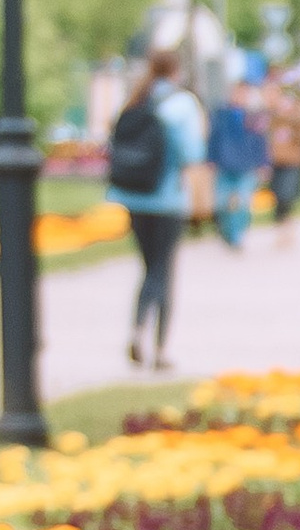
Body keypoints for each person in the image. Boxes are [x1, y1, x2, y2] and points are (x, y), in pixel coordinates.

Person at [108, 48, 205, 371]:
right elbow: (192, 153)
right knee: (163, 270)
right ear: (176, 69)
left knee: (148, 267)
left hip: (133, 195)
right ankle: (160, 348)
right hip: (166, 198)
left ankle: (137, 329)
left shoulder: (137, 98)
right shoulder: (181, 104)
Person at [206, 81, 268, 248]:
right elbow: (213, 138)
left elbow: (260, 141)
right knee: (222, 202)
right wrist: (210, 159)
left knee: (243, 202)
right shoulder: (220, 114)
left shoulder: (254, 116)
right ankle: (227, 232)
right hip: (224, 164)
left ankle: (238, 234)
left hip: (246, 164)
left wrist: (263, 163)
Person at [265, 92, 300, 244]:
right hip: (276, 163)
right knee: (277, 197)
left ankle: (287, 226)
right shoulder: (273, 123)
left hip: (291, 163)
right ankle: (280, 229)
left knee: (286, 196)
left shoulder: (296, 124)